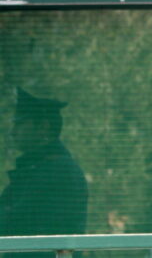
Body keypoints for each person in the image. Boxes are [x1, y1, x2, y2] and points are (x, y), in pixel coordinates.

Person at [0, 88, 88, 258]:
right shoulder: (40, 169)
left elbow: (18, 221)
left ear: (43, 127)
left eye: (20, 124)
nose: (13, 132)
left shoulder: (57, 171)